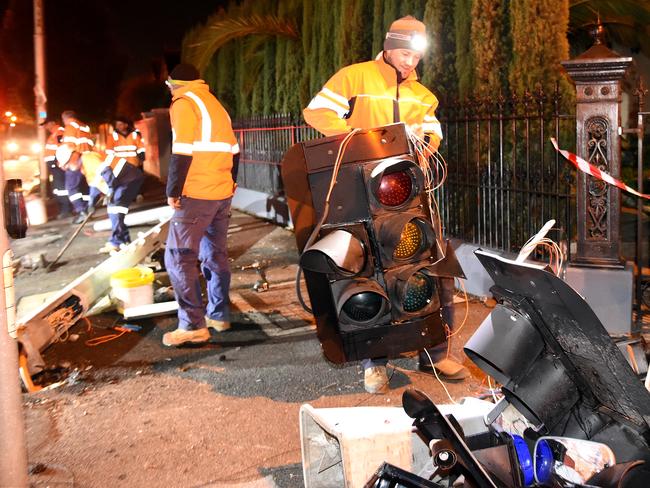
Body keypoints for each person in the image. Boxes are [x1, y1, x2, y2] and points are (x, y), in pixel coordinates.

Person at [303, 16, 468, 394]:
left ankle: (435, 352)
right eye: (405, 53)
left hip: (410, 193)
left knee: (430, 266)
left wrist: (424, 147)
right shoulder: (354, 77)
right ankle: (375, 363)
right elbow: (317, 112)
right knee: (373, 273)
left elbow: (433, 131)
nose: (410, 62)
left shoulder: (422, 94)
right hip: (364, 193)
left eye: (416, 56)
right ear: (389, 46)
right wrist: (357, 142)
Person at [162, 63, 240, 347]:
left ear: (175, 84)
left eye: (168, 86)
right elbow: (234, 149)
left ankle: (193, 324)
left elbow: (181, 150)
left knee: (178, 257)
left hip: (196, 193)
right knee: (215, 255)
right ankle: (218, 315)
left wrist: (173, 189)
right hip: (221, 193)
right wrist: (231, 183)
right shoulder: (215, 104)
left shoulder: (184, 103)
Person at [95, 116, 146, 253]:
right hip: (120, 169)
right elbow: (109, 152)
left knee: (117, 206)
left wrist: (141, 156)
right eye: (118, 124)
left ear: (125, 124)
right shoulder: (113, 136)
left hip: (132, 166)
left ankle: (119, 239)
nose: (121, 126)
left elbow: (140, 147)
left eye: (122, 124)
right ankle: (121, 238)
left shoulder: (135, 134)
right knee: (117, 206)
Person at [61, 110, 93, 223]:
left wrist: (65, 162)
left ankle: (81, 211)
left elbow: (69, 147)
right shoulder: (85, 127)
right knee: (84, 187)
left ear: (65, 118)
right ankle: (87, 210)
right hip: (87, 158)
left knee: (71, 187)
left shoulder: (70, 127)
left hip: (75, 159)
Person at [42, 118, 72, 219]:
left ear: (52, 122)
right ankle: (63, 209)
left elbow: (62, 148)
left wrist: (60, 161)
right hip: (54, 165)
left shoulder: (59, 132)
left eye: (46, 124)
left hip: (57, 164)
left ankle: (66, 210)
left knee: (61, 188)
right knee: (58, 188)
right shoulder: (54, 133)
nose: (46, 127)